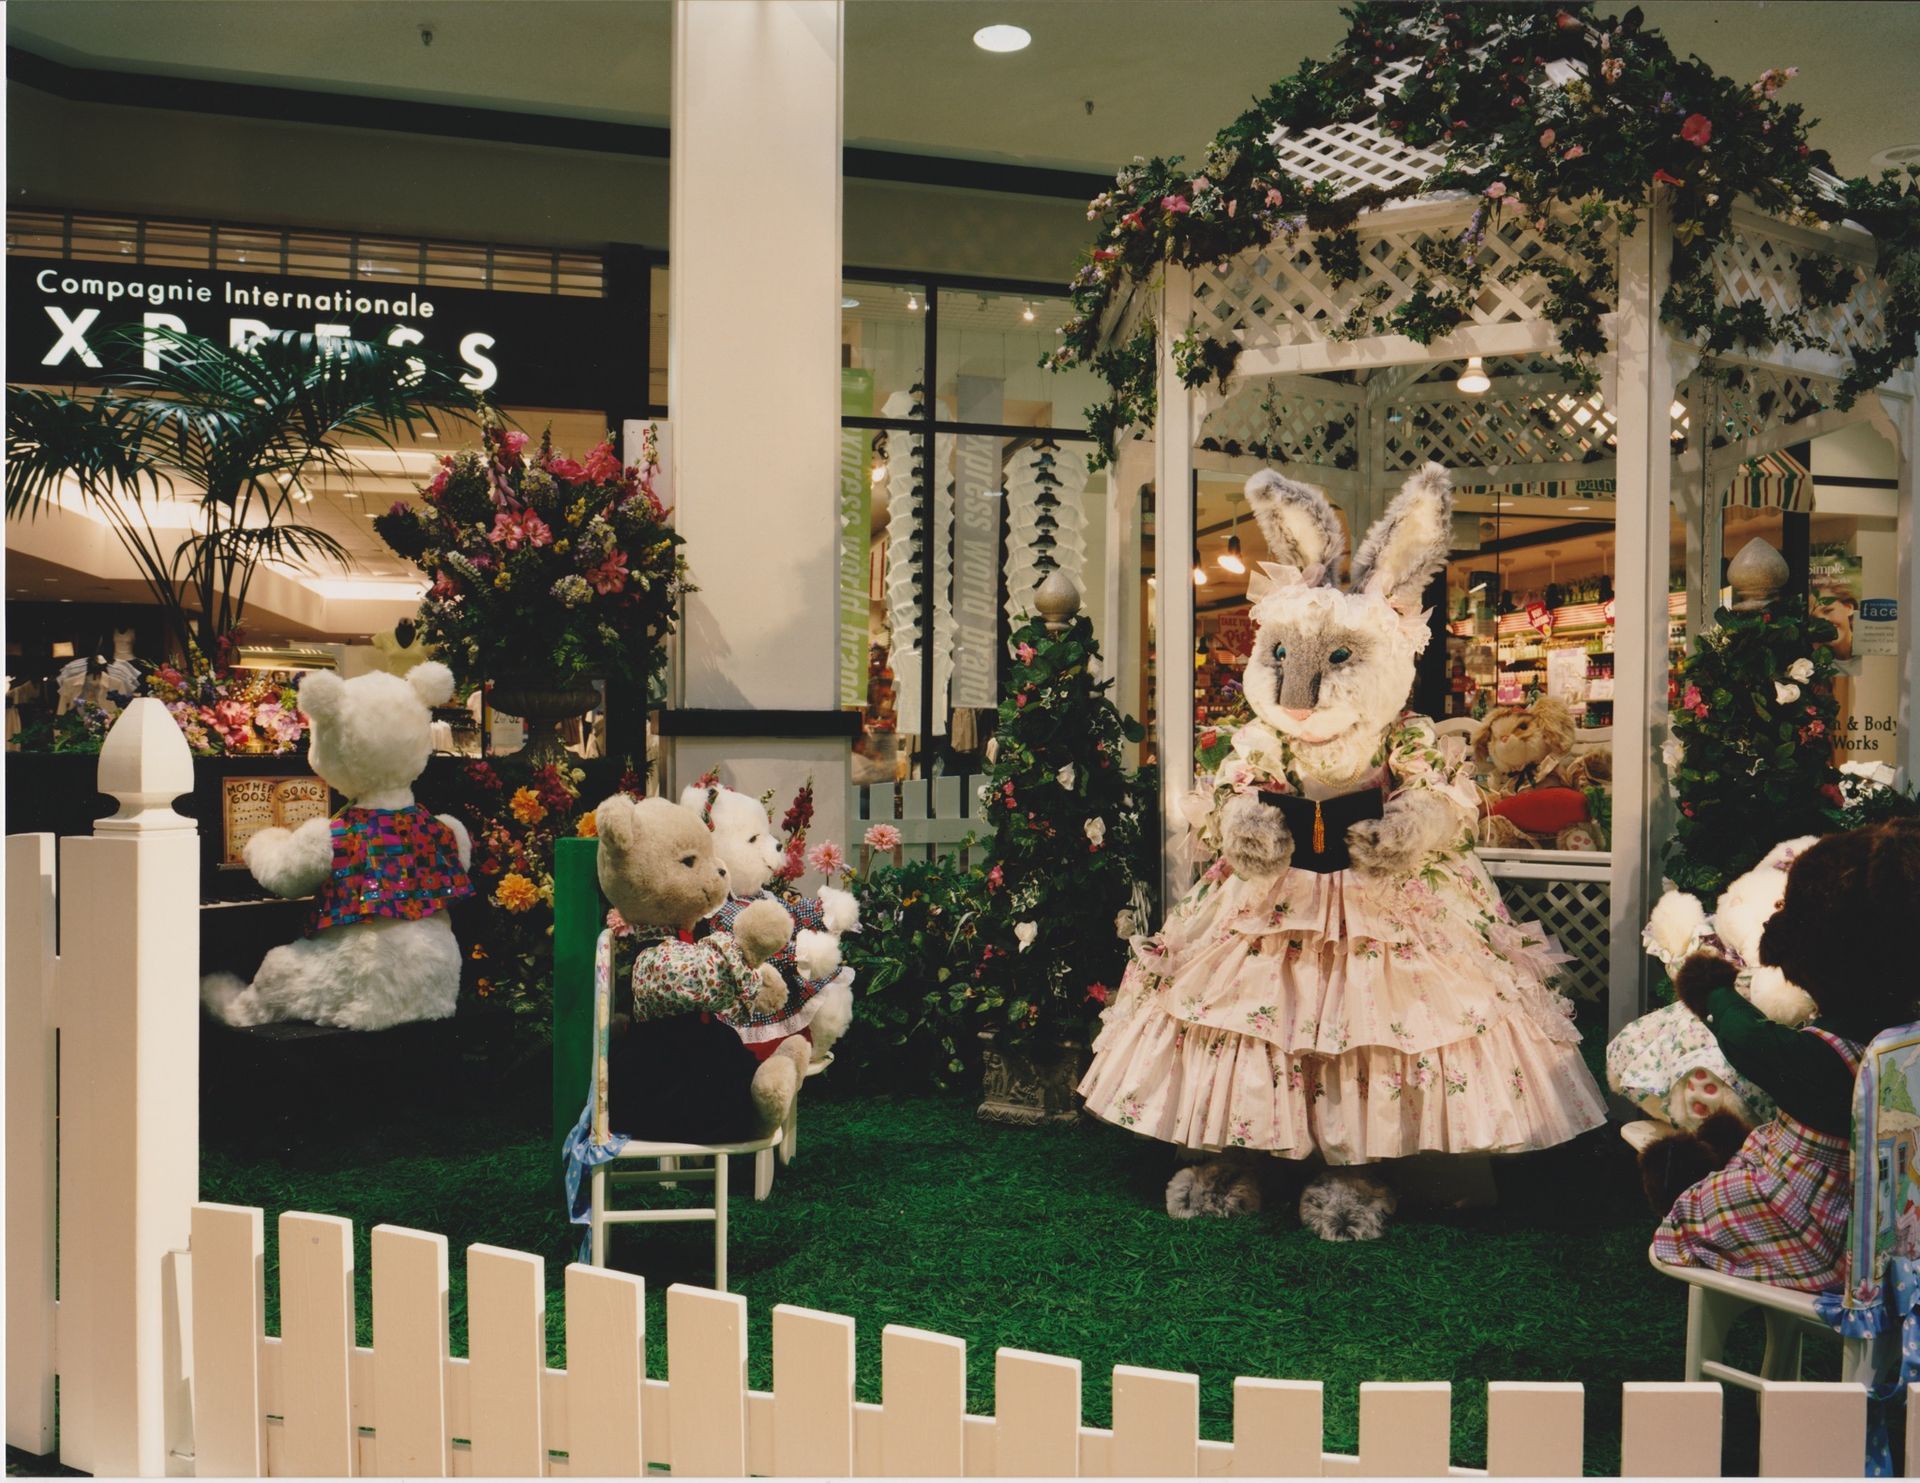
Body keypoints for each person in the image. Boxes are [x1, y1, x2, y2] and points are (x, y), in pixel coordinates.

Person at [1654, 818, 1920, 1290]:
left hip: (1814, 1221)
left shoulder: (1824, 1059)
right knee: (1750, 1153)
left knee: (1700, 1207)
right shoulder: (1901, 1043)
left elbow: (1749, 1040)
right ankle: (1718, 1160)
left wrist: (1714, 993)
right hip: (1879, 1214)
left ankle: (1690, 1191)